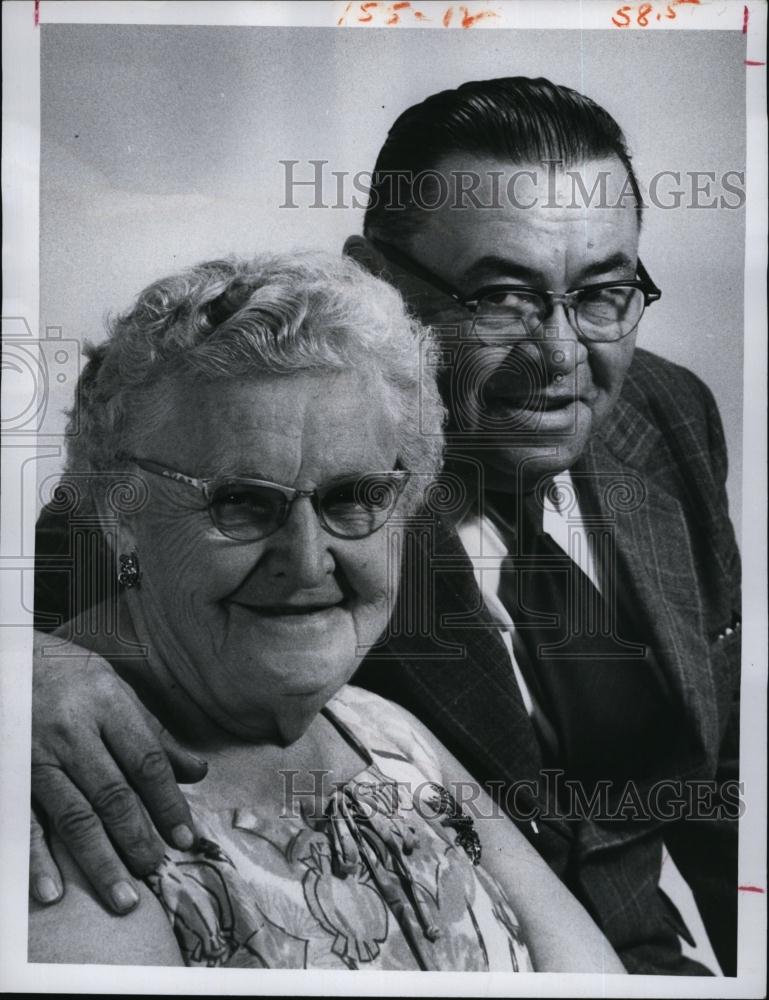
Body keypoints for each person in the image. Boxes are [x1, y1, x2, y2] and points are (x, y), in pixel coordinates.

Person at [30, 78, 740, 976]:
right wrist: (27, 668)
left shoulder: (668, 416)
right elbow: (78, 587)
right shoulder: (243, 457)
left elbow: (725, 768)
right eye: (501, 297)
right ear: (380, 279)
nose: (560, 354)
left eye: (602, 293)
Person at [29, 250, 628, 972]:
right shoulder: (63, 785)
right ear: (122, 513)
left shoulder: (388, 735)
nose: (308, 559)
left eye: (354, 497)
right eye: (241, 501)